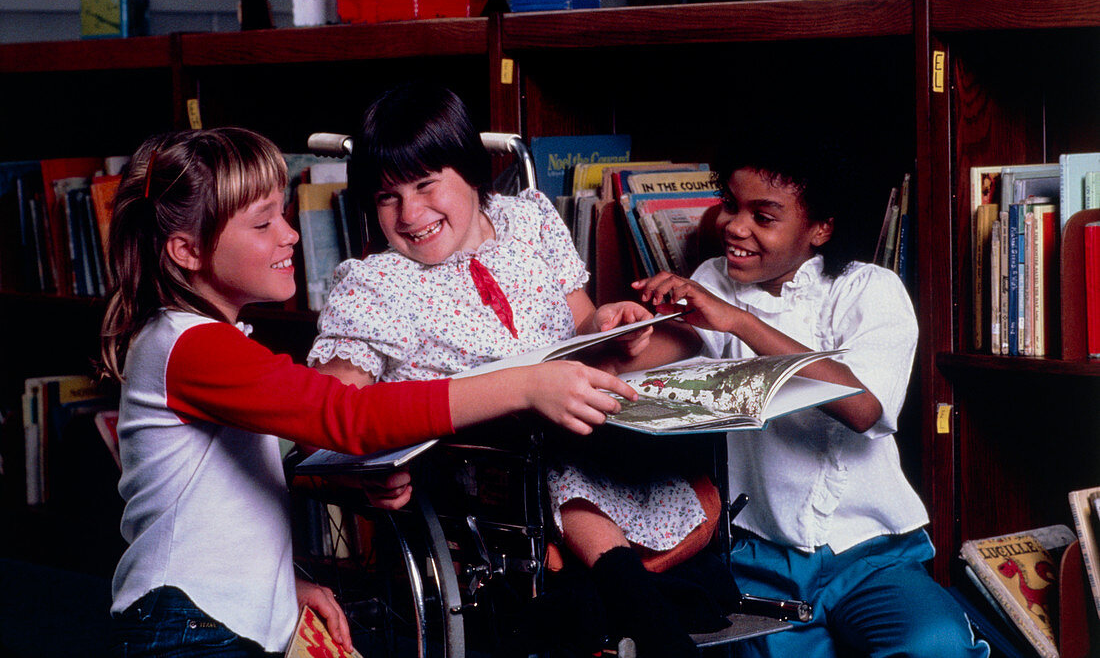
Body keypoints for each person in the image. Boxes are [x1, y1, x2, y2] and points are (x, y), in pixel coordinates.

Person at [99, 126, 639, 658]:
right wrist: (521, 385)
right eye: (264, 223)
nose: (289, 235)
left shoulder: (204, 341)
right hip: (186, 626)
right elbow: (346, 416)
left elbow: (218, 497)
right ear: (187, 252)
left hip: (210, 615)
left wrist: (283, 579)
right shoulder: (190, 347)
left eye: (284, 214)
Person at [308, 82, 725, 656]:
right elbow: (329, 408)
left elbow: (579, 327)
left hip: (585, 430)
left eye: (426, 186)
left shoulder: (529, 222)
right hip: (481, 473)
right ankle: (651, 622)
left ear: (473, 173)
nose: (410, 215)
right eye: (387, 198)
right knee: (552, 458)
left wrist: (610, 324)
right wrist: (368, 464)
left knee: (653, 421)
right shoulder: (375, 285)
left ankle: (638, 596)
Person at [627, 133, 991, 658]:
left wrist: (740, 321)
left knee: (934, 643)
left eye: (764, 216)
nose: (734, 226)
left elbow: (863, 408)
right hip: (758, 557)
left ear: (820, 228)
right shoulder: (713, 280)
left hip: (872, 555)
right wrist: (614, 326)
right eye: (730, 204)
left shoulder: (870, 290)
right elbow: (658, 351)